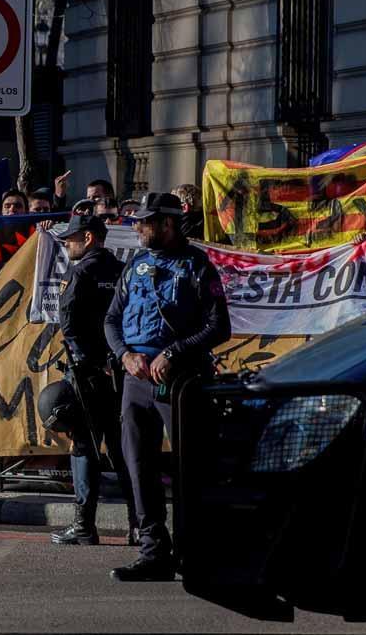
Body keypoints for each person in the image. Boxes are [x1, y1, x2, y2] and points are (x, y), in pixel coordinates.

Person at [104, 192, 232, 581]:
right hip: (135, 381)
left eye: (145, 222)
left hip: (181, 382)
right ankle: (153, 552)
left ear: (167, 224)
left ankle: (195, 552)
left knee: (190, 468)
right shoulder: (135, 265)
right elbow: (111, 320)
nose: (137, 227)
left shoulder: (197, 266)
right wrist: (126, 355)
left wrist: (173, 353)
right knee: (139, 465)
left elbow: (218, 326)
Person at [47, 214, 139, 547]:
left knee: (83, 446)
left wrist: (87, 362)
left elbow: (68, 322)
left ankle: (84, 525)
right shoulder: (122, 270)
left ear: (88, 238)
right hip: (122, 370)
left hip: (89, 373)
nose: (66, 245)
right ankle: (137, 525)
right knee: (124, 449)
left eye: (70, 239)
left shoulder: (80, 272)